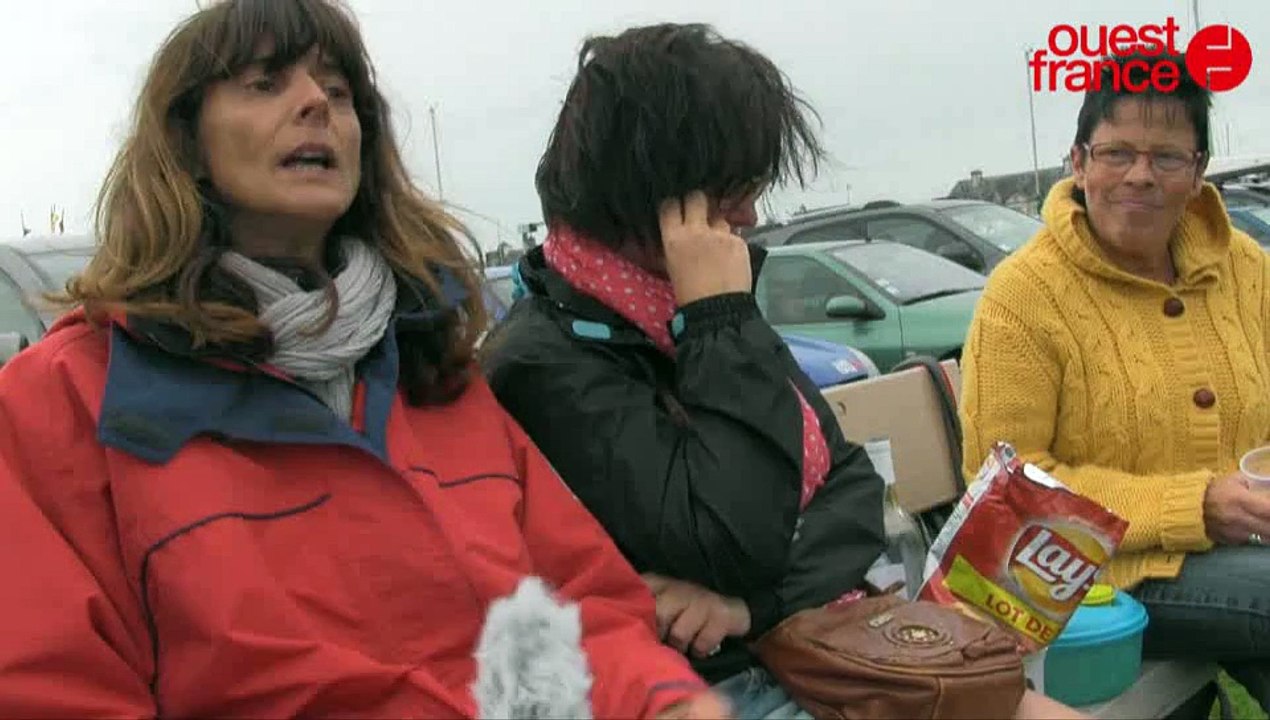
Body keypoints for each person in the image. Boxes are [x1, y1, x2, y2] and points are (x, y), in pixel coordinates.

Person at [0, 1, 728, 717]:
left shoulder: (435, 371)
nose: (316, 102)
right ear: (185, 141)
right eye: (265, 83)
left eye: (338, 90)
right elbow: (49, 689)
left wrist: (661, 701)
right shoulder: (63, 401)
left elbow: (583, 607)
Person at [483, 22, 1085, 720]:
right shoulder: (546, 365)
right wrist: (718, 316)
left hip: (823, 643)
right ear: (650, 188)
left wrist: (749, 604)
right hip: (727, 687)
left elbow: (854, 488)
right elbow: (731, 539)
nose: (750, 212)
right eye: (730, 187)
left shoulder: (687, 311)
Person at [960, 51, 1270, 714]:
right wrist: (1197, 505)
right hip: (1088, 578)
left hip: (1241, 557)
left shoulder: (1244, 267)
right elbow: (1008, 490)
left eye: (1166, 157)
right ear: (1078, 162)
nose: (1140, 175)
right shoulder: (1026, 294)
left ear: (1198, 172)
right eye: (1117, 152)